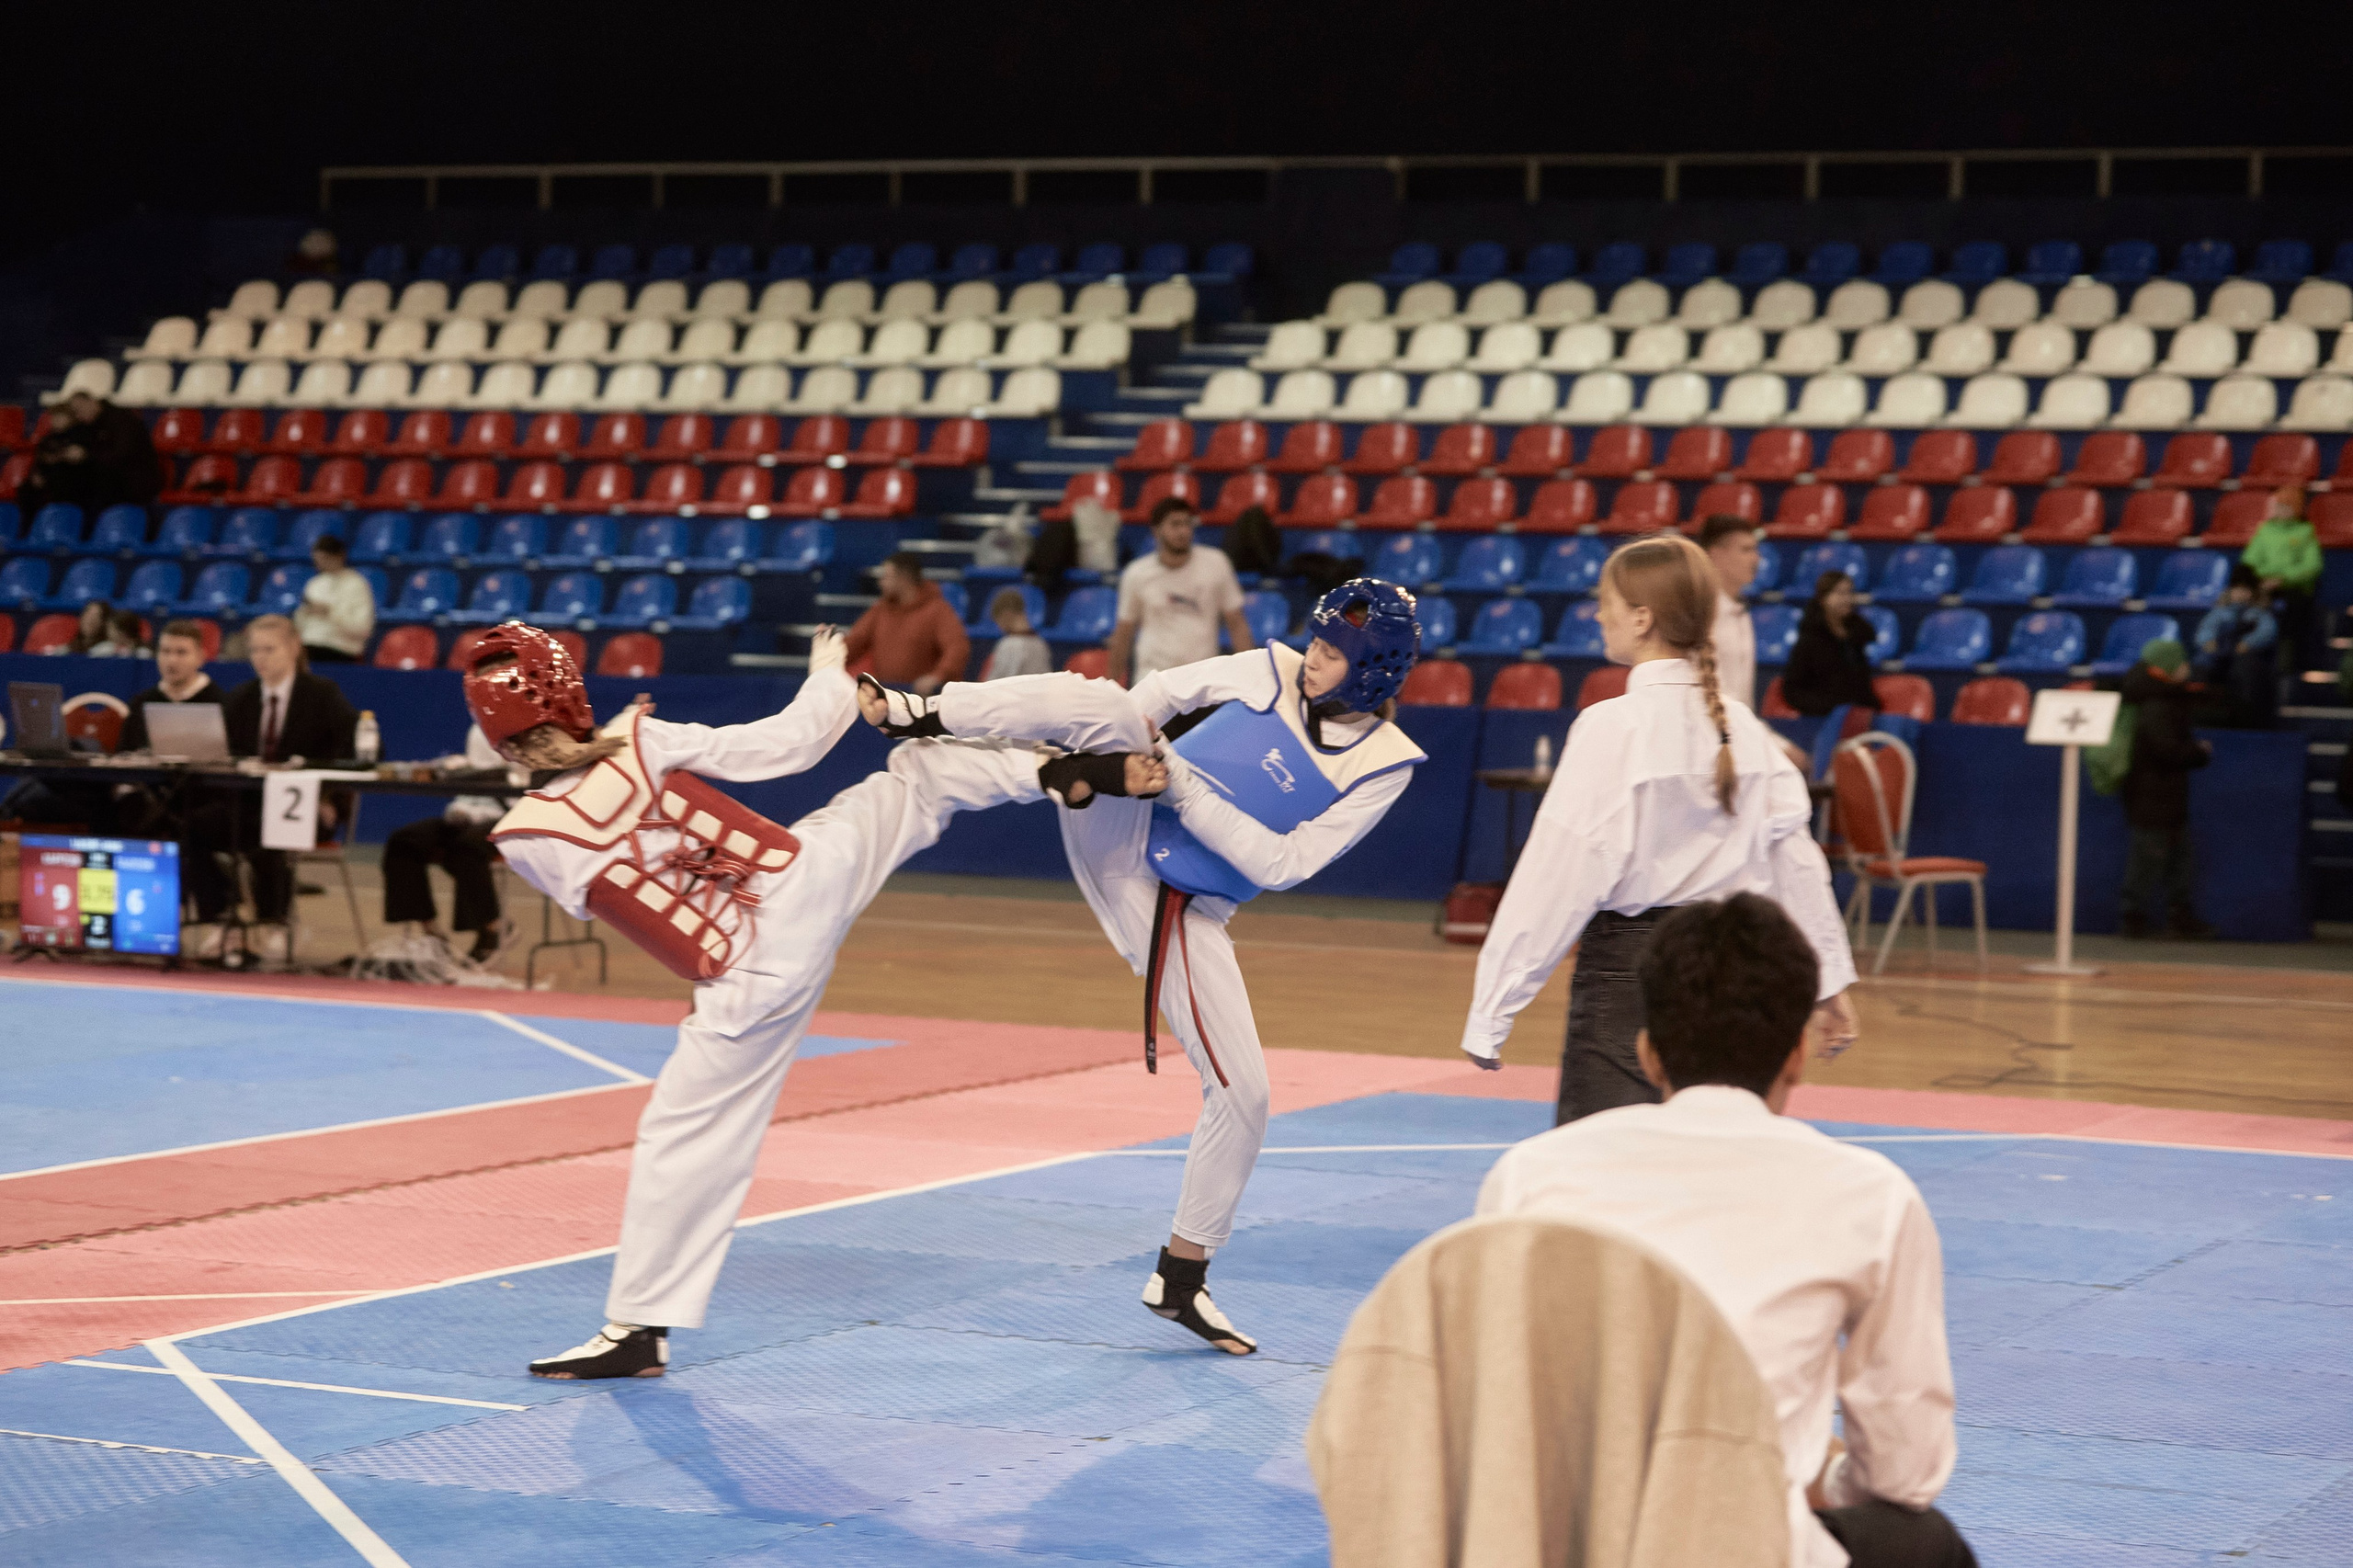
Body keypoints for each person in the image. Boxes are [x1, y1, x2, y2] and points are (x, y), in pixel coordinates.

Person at [466, 623, 1165, 1378]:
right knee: (918, 777)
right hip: (803, 876)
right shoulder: (640, 737)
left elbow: (606, 890)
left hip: (751, 974)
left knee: (687, 1136)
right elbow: (787, 747)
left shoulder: (527, 835)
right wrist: (828, 670)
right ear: (568, 691)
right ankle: (1053, 777)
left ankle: (639, 1327)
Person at [860, 578, 1427, 1355]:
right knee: (1106, 704)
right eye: (1317, 642)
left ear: (1373, 671)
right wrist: (1139, 752)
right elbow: (1158, 690)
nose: (1312, 660)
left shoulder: (1383, 765)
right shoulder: (1266, 669)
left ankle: (1181, 1277)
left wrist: (1185, 787)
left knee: (1248, 1092)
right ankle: (920, 713)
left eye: (1332, 653)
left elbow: (1287, 862)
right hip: (1125, 839)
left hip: (1184, 910)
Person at [1478, 894, 1974, 1568]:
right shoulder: (1870, 1196)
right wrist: (1821, 1478)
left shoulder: (1530, 1174)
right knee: (1922, 1542)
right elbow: (1904, 1473)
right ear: (1799, 1052)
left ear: (1648, 1053)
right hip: (1744, 1543)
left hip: (1545, 1543)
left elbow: (1484, 1406)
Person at [1459, 534, 1859, 1125]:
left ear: (1642, 617)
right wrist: (1828, 982)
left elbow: (1561, 871)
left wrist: (1493, 1008)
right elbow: (1796, 864)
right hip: (1738, 971)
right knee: (1715, 1161)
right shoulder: (1745, 728)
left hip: (1635, 974)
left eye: (1607, 602)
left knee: (1611, 1176)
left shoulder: (1612, 727)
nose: (1599, 615)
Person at [198, 616, 359, 933]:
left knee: (270, 832)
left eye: (269, 649)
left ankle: (274, 923)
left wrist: (329, 797)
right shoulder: (241, 698)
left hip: (306, 806)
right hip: (248, 802)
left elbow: (359, 748)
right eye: (255, 650)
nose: (261, 658)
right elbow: (221, 755)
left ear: (293, 648)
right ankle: (220, 915)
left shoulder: (322, 694)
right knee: (192, 827)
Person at [380, 723, 507, 962]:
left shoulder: (535, 730)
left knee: (466, 847)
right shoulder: (478, 728)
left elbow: (523, 782)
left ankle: (494, 928)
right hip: (468, 811)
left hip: (512, 817)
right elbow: (472, 775)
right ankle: (432, 934)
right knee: (404, 842)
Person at [2117, 638, 2213, 940]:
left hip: (2163, 792)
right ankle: (2134, 917)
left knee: (2178, 856)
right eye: (2182, 662)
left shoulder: (2159, 696)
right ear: (2167, 667)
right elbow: (2165, 749)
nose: (2187, 668)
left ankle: (2177, 914)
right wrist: (2198, 752)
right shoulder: (2158, 703)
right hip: (2153, 792)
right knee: (2148, 856)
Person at [1107, 496, 1251, 687]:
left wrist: (1250, 676)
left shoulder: (1216, 563)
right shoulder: (1137, 573)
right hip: (1152, 679)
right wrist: (1111, 684)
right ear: (1156, 530)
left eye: (1187, 524)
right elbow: (1124, 633)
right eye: (1175, 524)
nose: (1183, 531)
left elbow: (1237, 624)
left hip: (1202, 679)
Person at [17, 391, 163, 517]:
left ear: (91, 402)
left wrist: (86, 456)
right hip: (104, 479)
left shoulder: (122, 420)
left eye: (79, 410)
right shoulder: (87, 427)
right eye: (75, 413)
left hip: (132, 481)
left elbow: (121, 455)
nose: (78, 416)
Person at [842, 551, 969, 695]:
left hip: (925, 701)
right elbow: (855, 642)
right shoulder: (880, 610)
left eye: (886, 576)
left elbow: (957, 648)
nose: (880, 582)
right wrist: (829, 656)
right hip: (886, 698)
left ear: (903, 578)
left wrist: (937, 676)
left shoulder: (937, 610)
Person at [2241, 484, 2322, 671]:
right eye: (2278, 506)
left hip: (2293, 587)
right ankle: (2243, 653)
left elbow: (2312, 566)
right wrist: (2264, 579)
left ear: (2296, 509)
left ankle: (2288, 658)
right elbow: (2250, 560)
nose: (2281, 511)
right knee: (2241, 600)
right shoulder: (2265, 530)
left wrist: (2283, 578)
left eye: (2286, 507)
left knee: (2296, 606)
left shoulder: (2305, 532)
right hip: (2264, 585)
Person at [1781, 570, 1881, 717]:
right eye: (1840, 593)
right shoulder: (1809, 640)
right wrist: (1826, 709)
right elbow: (1792, 689)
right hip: (1822, 718)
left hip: (1860, 714)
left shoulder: (1858, 634)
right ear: (1823, 598)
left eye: (1849, 592)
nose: (1847, 599)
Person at [120, 620, 226, 753]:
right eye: (165, 651)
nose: (172, 661)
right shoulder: (142, 703)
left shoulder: (221, 704)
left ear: (200, 657)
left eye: (181, 652)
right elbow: (125, 754)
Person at [2194, 563, 2279, 729]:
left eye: (2245, 590)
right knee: (2201, 664)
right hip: (2219, 654)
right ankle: (2200, 715)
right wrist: (2208, 642)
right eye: (2237, 589)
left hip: (2243, 657)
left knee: (2245, 668)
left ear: (2253, 592)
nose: (2240, 594)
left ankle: (2246, 718)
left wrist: (2248, 643)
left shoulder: (2258, 613)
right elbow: (2205, 630)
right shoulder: (2220, 612)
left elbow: (2267, 631)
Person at [1699, 514, 1761, 711]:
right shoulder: (1700, 614)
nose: (1756, 559)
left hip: (1739, 729)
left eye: (1755, 549)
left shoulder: (1741, 611)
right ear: (1716, 554)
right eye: (1746, 550)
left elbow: (1744, 701)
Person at [293, 534, 375, 664]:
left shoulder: (357, 584)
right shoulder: (315, 584)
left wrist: (329, 613)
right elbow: (300, 624)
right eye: (317, 560)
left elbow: (363, 629)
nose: (320, 564)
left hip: (341, 650)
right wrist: (304, 613)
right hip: (308, 646)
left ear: (340, 556)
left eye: (325, 559)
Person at [978, 585, 1052, 680]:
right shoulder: (1041, 643)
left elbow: (996, 684)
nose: (999, 627)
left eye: (998, 621)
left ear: (1006, 615)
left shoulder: (1009, 645)